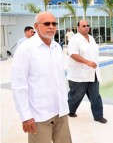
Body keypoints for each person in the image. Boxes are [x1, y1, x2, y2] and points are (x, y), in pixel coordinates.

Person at [11, 12, 72, 143]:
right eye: (47, 24)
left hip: (61, 112)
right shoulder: (25, 49)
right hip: (39, 115)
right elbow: (18, 85)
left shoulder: (56, 47)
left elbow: (58, 79)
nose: (51, 26)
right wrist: (25, 116)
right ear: (36, 26)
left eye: (54, 24)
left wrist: (65, 103)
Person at [67, 20, 107, 124]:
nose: (86, 27)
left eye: (88, 25)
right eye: (84, 26)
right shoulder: (74, 39)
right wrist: (87, 62)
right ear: (78, 27)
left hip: (93, 73)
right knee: (75, 96)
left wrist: (92, 64)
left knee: (95, 96)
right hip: (79, 74)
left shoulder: (92, 39)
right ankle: (70, 111)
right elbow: (73, 54)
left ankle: (98, 116)